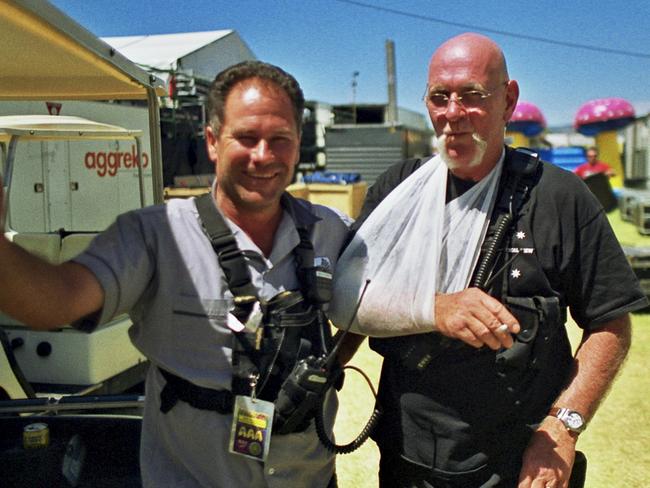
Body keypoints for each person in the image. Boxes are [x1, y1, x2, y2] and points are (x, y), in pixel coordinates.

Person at [0, 61, 351, 487]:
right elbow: (55, 301)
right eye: (246, 138)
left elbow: (376, 304)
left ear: (298, 146)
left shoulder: (330, 230)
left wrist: (326, 365)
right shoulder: (153, 235)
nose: (264, 156)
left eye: (281, 140)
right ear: (212, 141)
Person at [331, 33, 646, 488]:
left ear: (509, 100)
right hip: (407, 454)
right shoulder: (397, 189)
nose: (453, 113)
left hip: (517, 460)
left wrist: (561, 429)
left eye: (472, 96)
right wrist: (434, 309)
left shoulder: (559, 197)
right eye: (440, 97)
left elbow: (611, 324)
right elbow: (352, 297)